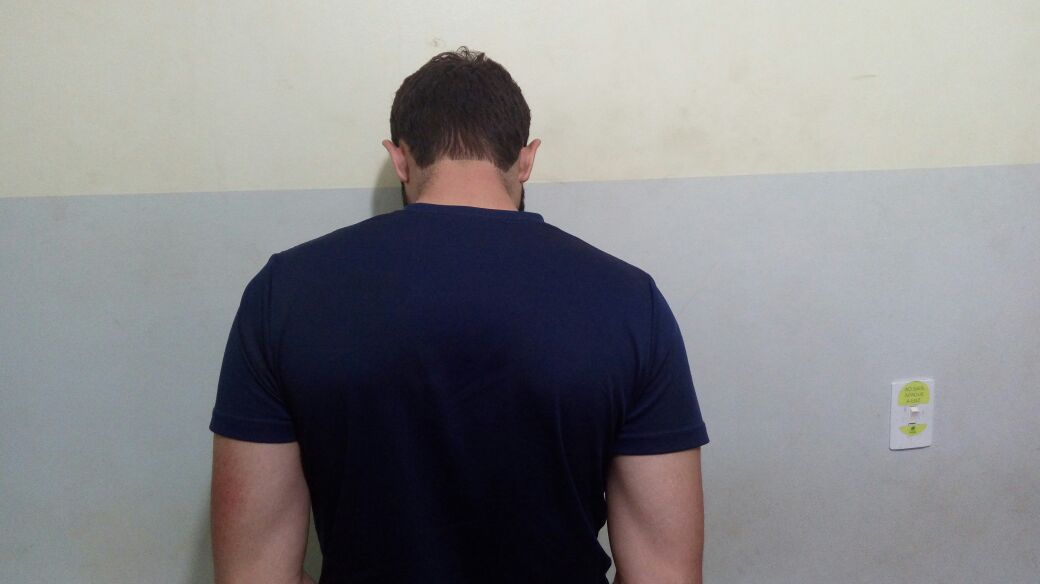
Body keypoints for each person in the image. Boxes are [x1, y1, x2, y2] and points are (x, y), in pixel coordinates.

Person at [209, 47, 708, 584]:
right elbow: (665, 574)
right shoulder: (629, 302)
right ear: (527, 159)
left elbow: (254, 574)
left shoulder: (285, 294)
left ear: (400, 159)